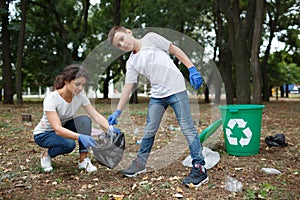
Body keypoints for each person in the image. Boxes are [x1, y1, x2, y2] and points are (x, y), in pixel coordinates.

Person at [107, 26, 208, 187]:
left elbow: (175, 50)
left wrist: (191, 68)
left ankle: (199, 168)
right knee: (149, 130)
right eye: (118, 46)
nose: (122, 45)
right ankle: (140, 164)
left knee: (187, 128)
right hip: (157, 95)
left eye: (122, 39)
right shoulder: (132, 62)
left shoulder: (151, 38)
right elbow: (128, 87)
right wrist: (118, 110)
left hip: (176, 89)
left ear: (128, 32)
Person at [33, 64, 119, 173]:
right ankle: (46, 155)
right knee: (69, 144)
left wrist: (109, 127)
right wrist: (80, 137)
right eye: (77, 84)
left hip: (64, 127)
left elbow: (95, 115)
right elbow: (57, 129)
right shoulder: (52, 99)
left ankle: (83, 160)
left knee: (84, 120)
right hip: (45, 134)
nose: (80, 88)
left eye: (82, 85)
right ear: (66, 81)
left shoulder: (79, 96)